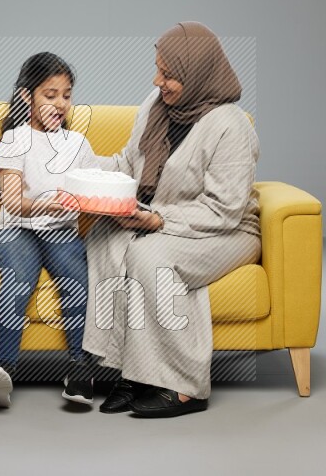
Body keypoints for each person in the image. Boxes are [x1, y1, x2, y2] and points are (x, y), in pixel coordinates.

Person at [83, 22, 262, 418]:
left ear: (198, 73)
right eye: (157, 69)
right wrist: (73, 167)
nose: (157, 80)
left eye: (169, 74)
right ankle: (131, 372)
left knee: (151, 258)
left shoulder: (230, 126)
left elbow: (225, 209)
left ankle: (186, 386)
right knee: (105, 238)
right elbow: (129, 164)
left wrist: (158, 219)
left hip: (226, 230)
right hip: (165, 219)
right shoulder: (156, 105)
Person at [0, 52, 99, 408]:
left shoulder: (77, 145)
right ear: (26, 96)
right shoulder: (15, 139)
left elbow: (95, 188)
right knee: (18, 276)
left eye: (66, 94)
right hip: (18, 230)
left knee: (77, 277)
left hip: (61, 231)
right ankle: (2, 369)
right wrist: (55, 202)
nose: (60, 103)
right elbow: (13, 202)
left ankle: (81, 371)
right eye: (50, 95)